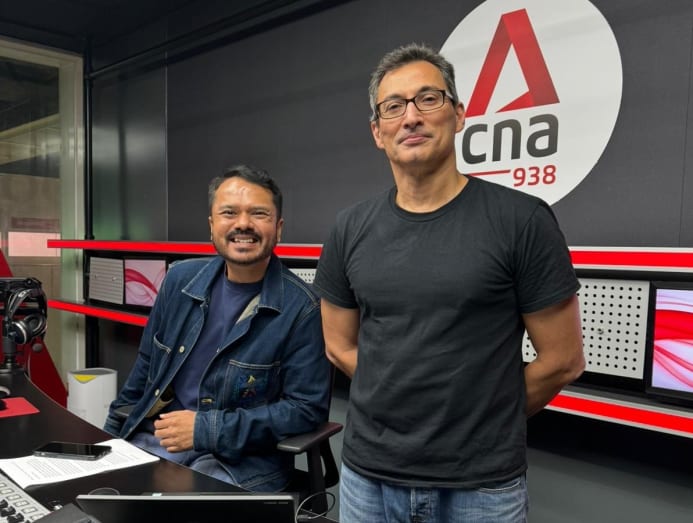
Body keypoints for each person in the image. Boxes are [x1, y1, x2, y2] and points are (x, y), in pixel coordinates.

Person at [312, 43, 585, 522]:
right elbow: (338, 345)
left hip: (480, 489)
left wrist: (482, 422)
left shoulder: (521, 221)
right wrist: (396, 395)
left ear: (458, 115)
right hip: (368, 481)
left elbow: (562, 360)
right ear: (378, 132)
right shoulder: (349, 228)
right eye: (393, 107)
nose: (411, 117)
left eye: (428, 99)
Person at [104, 164, 331, 492]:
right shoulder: (179, 281)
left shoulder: (302, 308)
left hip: (240, 462)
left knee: (179, 511)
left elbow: (305, 410)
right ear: (212, 226)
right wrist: (107, 442)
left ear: (278, 228)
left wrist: (206, 430)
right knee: (100, 500)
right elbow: (144, 370)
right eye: (229, 212)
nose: (243, 223)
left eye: (259, 213)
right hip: (158, 440)